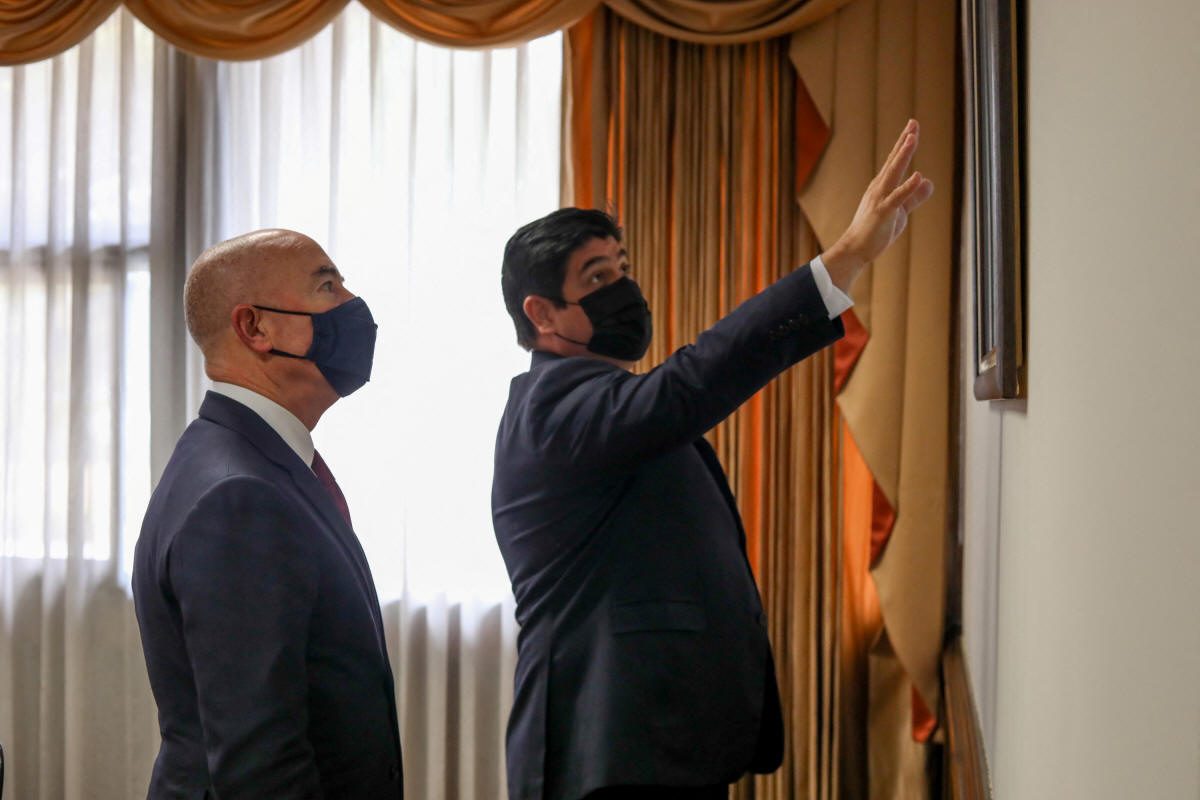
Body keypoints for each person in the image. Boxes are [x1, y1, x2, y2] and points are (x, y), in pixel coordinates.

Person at [492, 120, 935, 800]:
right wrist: (844, 259)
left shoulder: (601, 403)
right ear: (542, 315)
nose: (623, 290)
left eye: (622, 269)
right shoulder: (551, 411)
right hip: (604, 752)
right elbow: (692, 383)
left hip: (654, 740)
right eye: (597, 277)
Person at [132, 229, 403, 798]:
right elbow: (260, 763)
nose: (353, 302)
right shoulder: (238, 496)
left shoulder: (252, 459)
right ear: (254, 328)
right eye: (328, 287)